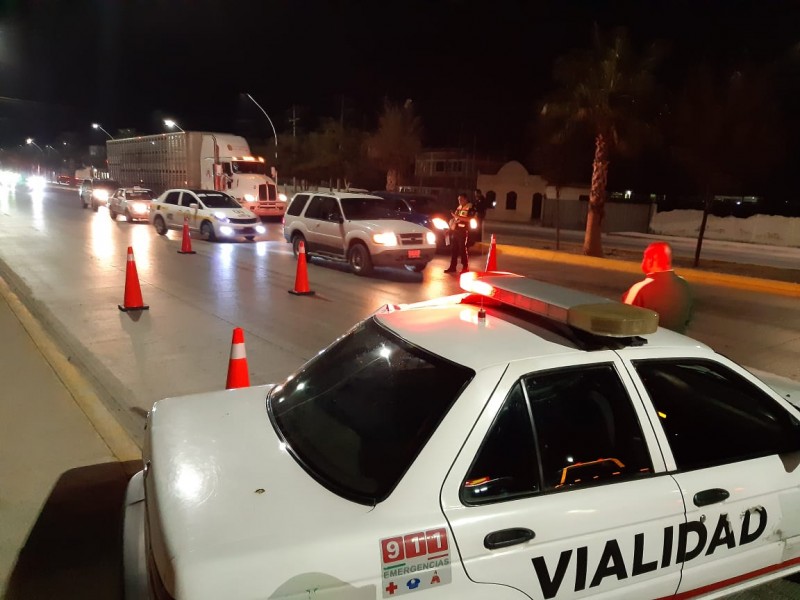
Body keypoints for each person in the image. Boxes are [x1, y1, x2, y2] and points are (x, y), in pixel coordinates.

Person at [622, 241, 693, 333]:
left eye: (644, 257)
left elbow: (623, 322)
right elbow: (688, 319)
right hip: (677, 343)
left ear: (650, 260)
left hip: (650, 344)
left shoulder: (639, 290)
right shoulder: (685, 285)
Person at [444, 193, 476, 274]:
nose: (459, 201)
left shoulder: (470, 207)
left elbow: (469, 219)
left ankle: (465, 267)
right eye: (458, 199)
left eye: (461, 199)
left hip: (464, 231)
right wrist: (449, 229)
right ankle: (452, 267)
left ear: (466, 199)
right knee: (454, 249)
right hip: (456, 231)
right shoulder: (459, 208)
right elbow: (455, 220)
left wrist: (457, 216)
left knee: (462, 250)